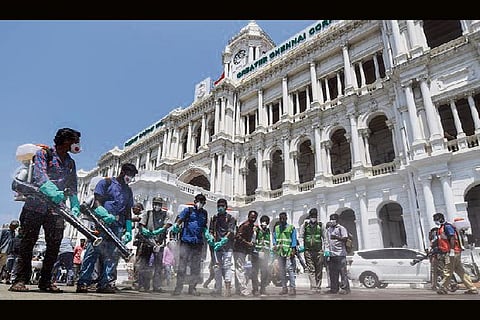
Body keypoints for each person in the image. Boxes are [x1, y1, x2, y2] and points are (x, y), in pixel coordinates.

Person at [9, 127, 82, 293]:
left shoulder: (71, 163)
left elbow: (72, 185)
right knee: (28, 243)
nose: (77, 145)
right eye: (75, 141)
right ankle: (20, 280)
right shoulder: (45, 154)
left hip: (56, 211)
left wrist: (75, 203)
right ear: (66, 141)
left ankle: (46, 281)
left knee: (54, 246)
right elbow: (40, 175)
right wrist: (52, 191)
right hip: (35, 206)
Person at [76, 163, 137, 294]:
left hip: (118, 226)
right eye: (129, 174)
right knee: (93, 252)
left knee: (113, 255)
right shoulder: (106, 183)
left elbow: (127, 211)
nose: (130, 178)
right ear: (122, 172)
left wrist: (129, 229)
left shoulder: (128, 191)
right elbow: (97, 200)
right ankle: (83, 282)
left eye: (132, 176)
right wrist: (103, 213)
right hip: (102, 223)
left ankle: (105, 283)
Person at [170, 194, 210, 296]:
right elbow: (180, 219)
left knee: (195, 267)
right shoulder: (188, 210)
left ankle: (192, 288)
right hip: (186, 242)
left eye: (202, 202)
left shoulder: (204, 213)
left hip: (198, 243)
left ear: (204, 203)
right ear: (195, 201)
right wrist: (176, 226)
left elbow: (204, 226)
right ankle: (178, 288)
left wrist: (206, 233)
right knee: (182, 266)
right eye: (199, 201)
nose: (200, 203)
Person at [433, 212, 478, 295]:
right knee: (460, 271)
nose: (435, 222)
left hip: (452, 252)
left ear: (440, 219)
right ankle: (472, 288)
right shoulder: (442, 228)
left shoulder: (447, 227)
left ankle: (443, 288)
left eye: (436, 220)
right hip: (453, 252)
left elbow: (452, 238)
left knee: (447, 270)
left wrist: (452, 250)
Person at [136, 196, 172, 292]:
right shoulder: (147, 213)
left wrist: (160, 230)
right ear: (153, 204)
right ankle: (143, 285)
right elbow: (140, 225)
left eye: (159, 204)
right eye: (155, 204)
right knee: (144, 264)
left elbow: (167, 224)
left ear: (161, 205)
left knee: (158, 266)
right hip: (147, 242)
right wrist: (144, 230)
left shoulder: (165, 214)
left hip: (159, 244)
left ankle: (157, 286)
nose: (157, 206)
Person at [208, 198, 237, 297]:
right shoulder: (214, 218)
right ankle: (218, 289)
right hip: (217, 247)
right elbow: (211, 230)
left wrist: (224, 239)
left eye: (222, 206)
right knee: (217, 267)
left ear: (226, 207)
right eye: (218, 206)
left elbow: (231, 230)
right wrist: (211, 237)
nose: (220, 207)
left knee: (227, 266)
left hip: (227, 246)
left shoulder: (230, 218)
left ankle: (228, 289)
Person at [299, 208, 327, 293]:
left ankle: (318, 286)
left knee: (319, 269)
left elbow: (325, 238)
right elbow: (301, 236)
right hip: (308, 251)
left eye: (315, 216)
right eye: (312, 216)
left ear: (317, 216)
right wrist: (301, 246)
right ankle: (313, 287)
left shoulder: (321, 225)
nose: (313, 218)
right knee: (311, 269)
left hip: (319, 251)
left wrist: (326, 250)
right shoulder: (305, 225)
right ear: (310, 216)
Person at [233, 210, 258, 296]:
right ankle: (243, 290)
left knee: (239, 269)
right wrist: (247, 243)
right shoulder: (245, 225)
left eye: (255, 217)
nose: (253, 218)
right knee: (240, 269)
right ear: (248, 216)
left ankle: (238, 289)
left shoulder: (252, 227)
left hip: (243, 250)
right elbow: (238, 236)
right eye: (252, 217)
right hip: (238, 249)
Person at [272, 211, 298, 296]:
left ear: (286, 218)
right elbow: (274, 238)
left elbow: (293, 239)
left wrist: (293, 250)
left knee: (290, 269)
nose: (282, 220)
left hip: (288, 251)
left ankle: (292, 288)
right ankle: (284, 288)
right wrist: (275, 245)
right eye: (281, 218)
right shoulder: (276, 228)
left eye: (284, 218)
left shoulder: (291, 228)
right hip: (280, 252)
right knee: (281, 270)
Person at [325, 213, 351, 294]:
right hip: (332, 255)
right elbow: (327, 241)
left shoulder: (341, 228)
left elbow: (345, 238)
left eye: (334, 219)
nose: (332, 221)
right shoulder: (328, 230)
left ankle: (345, 288)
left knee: (343, 273)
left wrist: (336, 237)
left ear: (337, 220)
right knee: (333, 273)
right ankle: (334, 289)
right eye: (331, 219)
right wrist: (327, 252)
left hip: (340, 254)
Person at [250, 214, 272, 296]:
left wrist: (270, 254)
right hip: (256, 254)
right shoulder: (256, 230)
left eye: (266, 222)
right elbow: (253, 240)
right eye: (263, 222)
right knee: (255, 272)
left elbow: (269, 243)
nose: (264, 224)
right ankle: (255, 289)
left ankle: (263, 289)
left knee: (264, 272)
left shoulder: (268, 231)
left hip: (265, 254)